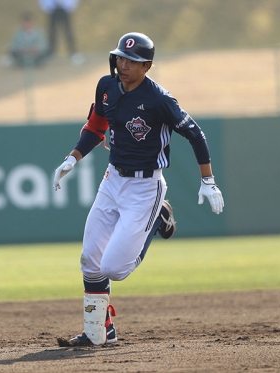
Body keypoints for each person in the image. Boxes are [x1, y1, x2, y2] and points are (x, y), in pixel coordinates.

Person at [53, 32, 224, 346]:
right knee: (90, 261)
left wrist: (208, 180)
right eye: (120, 57)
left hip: (145, 187)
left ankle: (158, 218)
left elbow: (195, 134)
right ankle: (99, 332)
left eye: (131, 60)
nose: (123, 64)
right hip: (112, 178)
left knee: (114, 269)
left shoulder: (159, 99)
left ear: (147, 65)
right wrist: (73, 157)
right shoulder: (107, 86)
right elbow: (96, 127)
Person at [37, 0, 84, 65]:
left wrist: (68, 6)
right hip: (52, 10)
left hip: (66, 9)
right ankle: (51, 52)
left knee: (68, 32)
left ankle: (73, 52)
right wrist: (49, 7)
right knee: (52, 32)